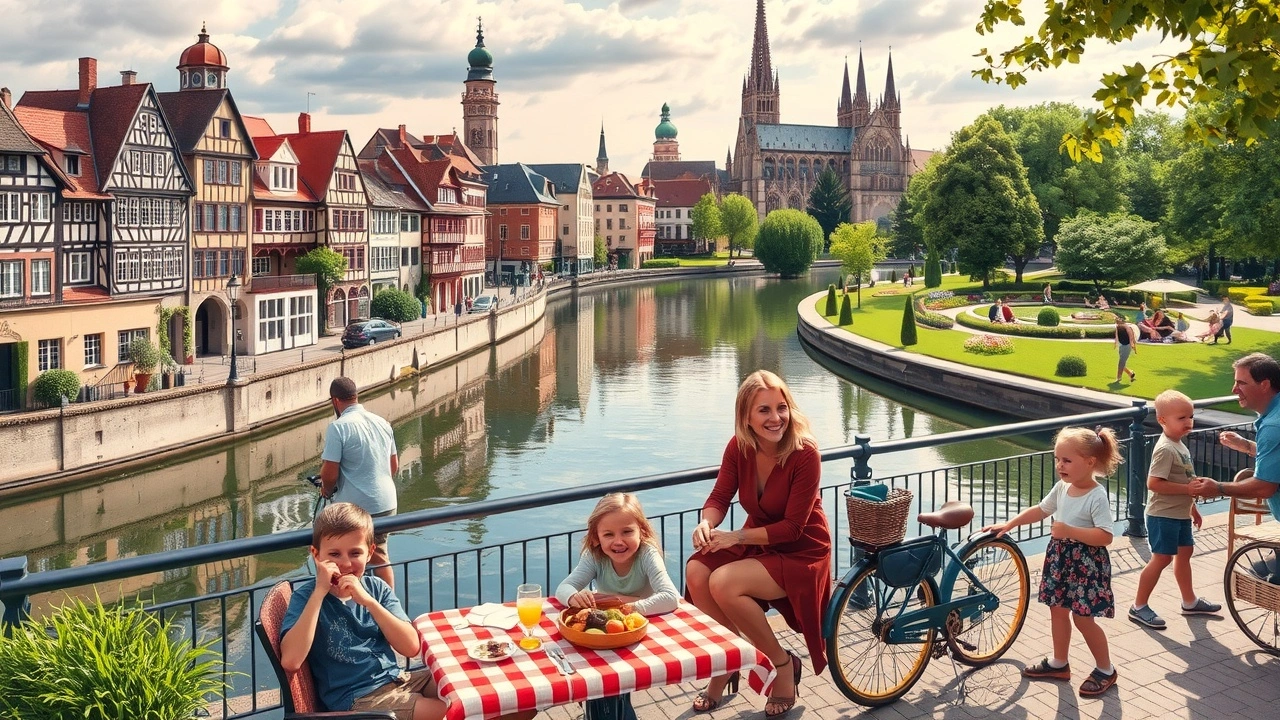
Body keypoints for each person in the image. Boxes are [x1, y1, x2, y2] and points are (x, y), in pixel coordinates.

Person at [282, 504, 531, 720]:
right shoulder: (306, 597)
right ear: (316, 555)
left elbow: (411, 647)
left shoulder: (375, 589)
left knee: (480, 690)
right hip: (356, 700)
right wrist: (319, 592)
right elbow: (291, 661)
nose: (346, 563)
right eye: (334, 554)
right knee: (455, 712)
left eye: (355, 553)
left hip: (397, 679)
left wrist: (369, 602)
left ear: (369, 553)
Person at [685, 370, 831, 717]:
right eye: (763, 410)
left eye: (781, 407)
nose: (776, 418)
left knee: (724, 582)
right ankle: (727, 662)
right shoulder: (740, 446)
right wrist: (707, 523)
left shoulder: (805, 452)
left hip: (802, 548)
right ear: (746, 417)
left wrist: (733, 537)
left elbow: (794, 528)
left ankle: (782, 666)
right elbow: (720, 495)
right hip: (760, 538)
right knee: (696, 569)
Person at [983, 427, 1121, 698]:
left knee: (1084, 620)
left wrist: (1069, 531)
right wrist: (1011, 523)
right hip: (1061, 560)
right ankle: (1059, 663)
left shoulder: (1096, 495)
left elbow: (1105, 536)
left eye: (1067, 460)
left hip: (1086, 566)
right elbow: (1041, 510)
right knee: (1057, 611)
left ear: (1090, 462)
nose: (1060, 465)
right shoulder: (1062, 488)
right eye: (1057, 459)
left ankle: (1106, 669)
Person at [556, 493, 679, 720]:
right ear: (596, 538)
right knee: (599, 684)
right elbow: (563, 588)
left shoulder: (647, 554)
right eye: (608, 534)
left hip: (640, 635)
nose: (618, 541)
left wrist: (623, 604)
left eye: (627, 532)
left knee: (609, 689)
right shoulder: (594, 556)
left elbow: (671, 598)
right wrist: (573, 597)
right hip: (606, 634)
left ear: (641, 531)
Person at [1128, 391, 1222, 629]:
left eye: (1190, 416)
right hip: (1163, 515)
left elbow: (1185, 481)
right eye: (1181, 418)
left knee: (1186, 552)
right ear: (1162, 421)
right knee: (1162, 559)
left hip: (1179, 514)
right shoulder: (1166, 449)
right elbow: (1154, 483)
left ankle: (1189, 602)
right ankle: (1138, 606)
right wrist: (1187, 489)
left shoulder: (1179, 445)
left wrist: (1192, 508)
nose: (1188, 422)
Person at [321, 377, 399, 588]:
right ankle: (385, 604)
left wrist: (326, 490)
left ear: (335, 401)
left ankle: (359, 602)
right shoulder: (382, 422)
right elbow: (393, 466)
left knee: (351, 556)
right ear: (355, 397)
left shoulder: (338, 428)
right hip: (387, 503)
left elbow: (329, 472)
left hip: (358, 507)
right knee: (377, 552)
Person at [1190, 354, 1280, 523]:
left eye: (1241, 383)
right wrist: (1246, 445)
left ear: (1265, 385)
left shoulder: (1272, 426)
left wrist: (1218, 488)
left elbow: (1264, 487)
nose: (1234, 389)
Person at [1114, 315, 1137, 383]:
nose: (1117, 321)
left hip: (1127, 345)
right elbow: (1116, 335)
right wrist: (1116, 343)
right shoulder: (1118, 327)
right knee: (1122, 363)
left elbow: (1130, 336)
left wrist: (1132, 344)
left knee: (1121, 362)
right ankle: (1130, 373)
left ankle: (1119, 377)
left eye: (1118, 320)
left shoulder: (1127, 327)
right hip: (1121, 345)